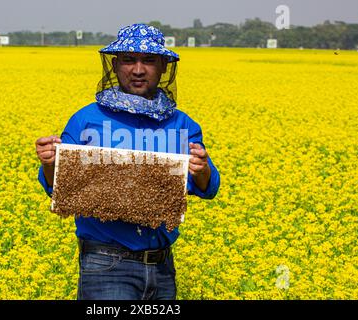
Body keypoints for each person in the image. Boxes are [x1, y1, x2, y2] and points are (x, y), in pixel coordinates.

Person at [35, 24, 220, 300]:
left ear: (164, 67)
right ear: (114, 64)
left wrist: (202, 169)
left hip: (162, 266)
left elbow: (208, 188)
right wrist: (50, 161)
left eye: (148, 61)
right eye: (128, 60)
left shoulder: (183, 124)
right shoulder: (86, 120)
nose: (137, 69)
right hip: (105, 264)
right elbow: (56, 186)